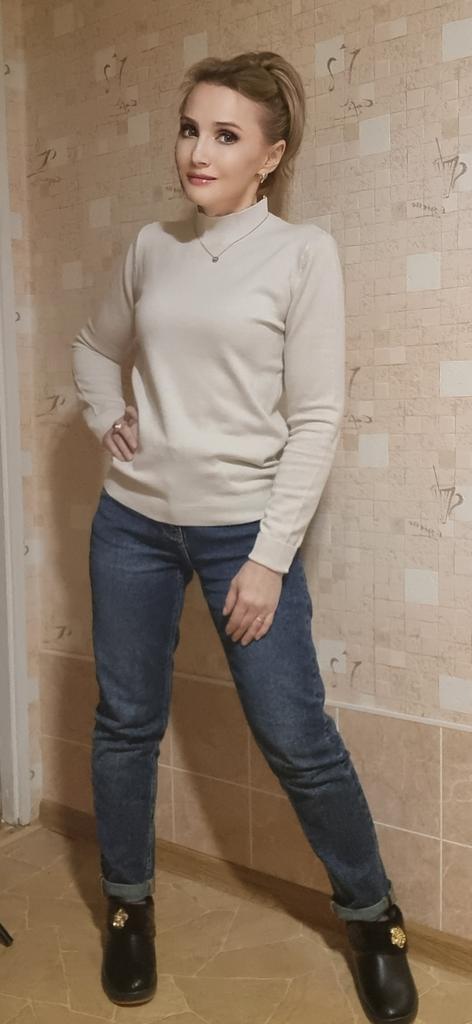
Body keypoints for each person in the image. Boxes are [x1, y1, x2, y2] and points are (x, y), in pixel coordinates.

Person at [71, 50, 418, 1023]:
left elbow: (315, 418)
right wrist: (106, 414)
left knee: (296, 736)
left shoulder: (302, 255)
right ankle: (129, 907)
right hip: (132, 526)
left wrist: (267, 558)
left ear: (271, 155)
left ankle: (371, 917)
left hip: (241, 536)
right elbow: (94, 348)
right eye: (190, 128)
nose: (198, 150)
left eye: (226, 135)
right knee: (125, 723)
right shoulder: (151, 247)